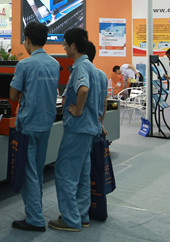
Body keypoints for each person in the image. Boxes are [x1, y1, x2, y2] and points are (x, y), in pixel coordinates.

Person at [9, 21, 60, 232]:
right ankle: (35, 211)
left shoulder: (25, 65)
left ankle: (35, 219)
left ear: (27, 40)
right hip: (46, 123)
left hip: (28, 125)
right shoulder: (54, 64)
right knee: (37, 171)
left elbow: (13, 94)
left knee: (28, 172)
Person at [49, 28, 99, 232]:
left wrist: (77, 110)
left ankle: (70, 219)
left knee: (65, 172)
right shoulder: (90, 66)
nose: (63, 47)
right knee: (82, 173)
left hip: (78, 128)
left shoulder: (80, 67)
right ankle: (81, 214)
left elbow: (83, 89)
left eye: (65, 44)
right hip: (87, 129)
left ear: (74, 45)